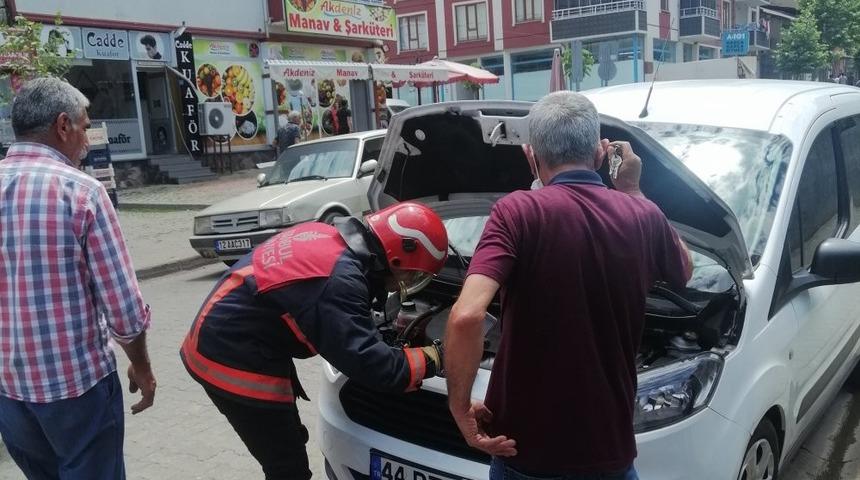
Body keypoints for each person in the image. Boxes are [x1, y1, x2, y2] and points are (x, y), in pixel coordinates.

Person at [444, 91, 692, 479]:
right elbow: (685, 269)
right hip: (608, 453)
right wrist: (632, 190)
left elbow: (466, 316)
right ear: (599, 154)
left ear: (531, 155)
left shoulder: (516, 212)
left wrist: (460, 409)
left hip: (523, 453)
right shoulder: (643, 214)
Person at [180, 202, 448, 480]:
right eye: (412, 276)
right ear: (395, 258)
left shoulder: (327, 235)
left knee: (288, 436)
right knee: (287, 467)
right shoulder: (339, 280)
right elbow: (372, 365)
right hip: (228, 355)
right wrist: (436, 357)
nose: (406, 284)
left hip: (229, 328)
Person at [0, 77, 156, 479]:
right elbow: (124, 309)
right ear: (63, 126)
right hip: (77, 390)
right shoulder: (81, 192)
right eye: (86, 127)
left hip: (10, 392)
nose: (88, 139)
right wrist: (142, 366)